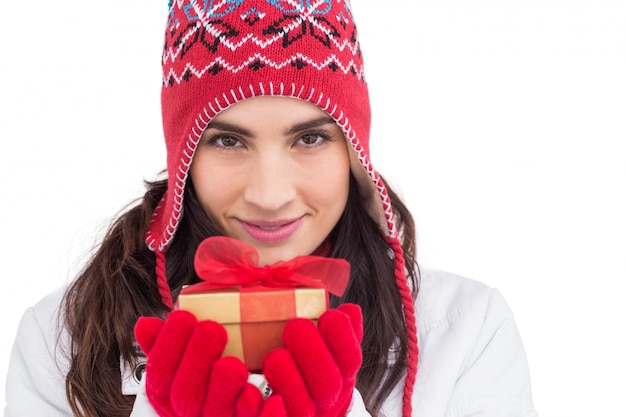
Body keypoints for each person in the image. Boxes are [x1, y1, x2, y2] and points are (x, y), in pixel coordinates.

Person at [4, 1, 537, 416]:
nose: (270, 194)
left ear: (353, 151)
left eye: (309, 139)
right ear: (183, 152)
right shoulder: (63, 336)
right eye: (228, 142)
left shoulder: (466, 329)